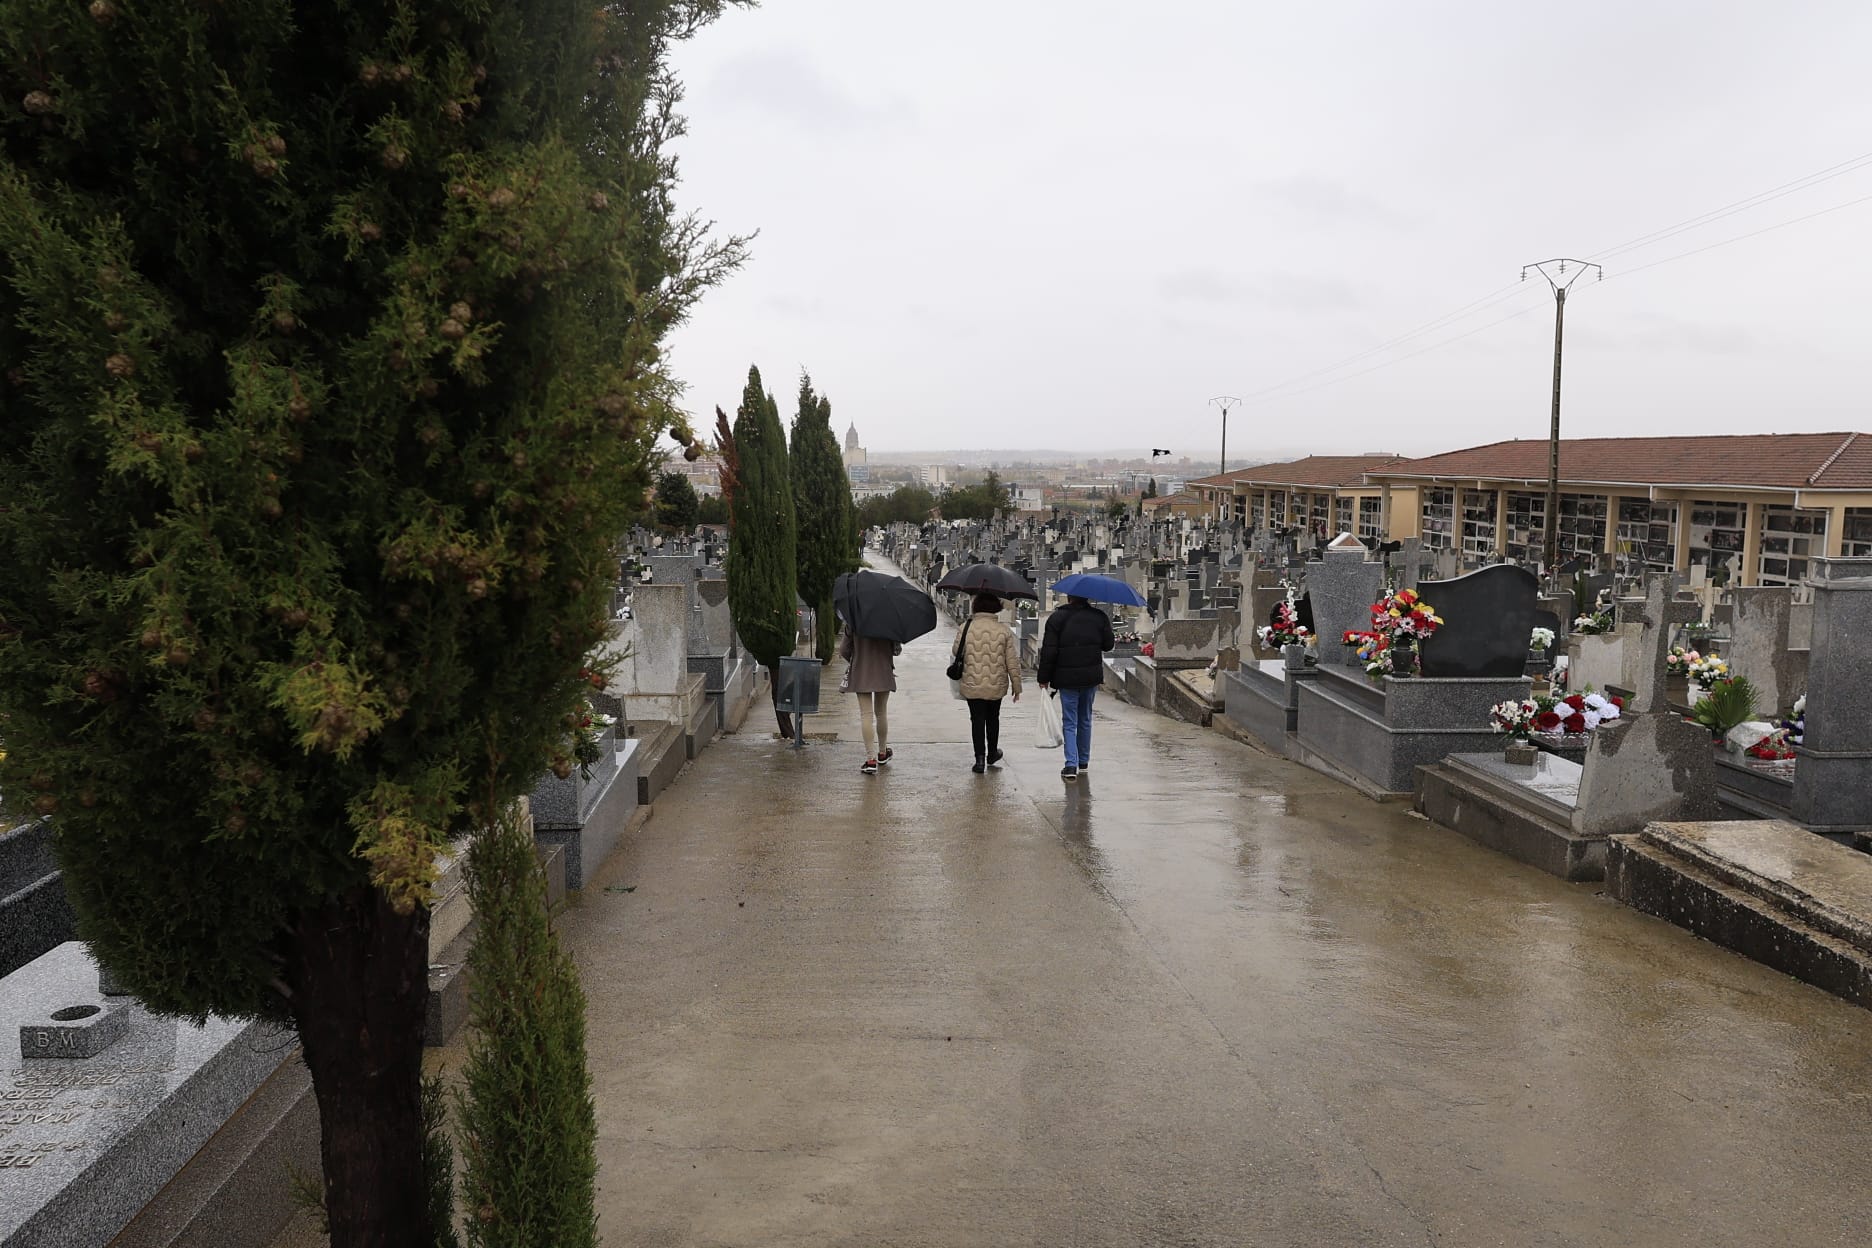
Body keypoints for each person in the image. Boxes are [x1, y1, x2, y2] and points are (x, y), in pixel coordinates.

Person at [1036, 594, 1115, 782]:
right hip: (1090, 677)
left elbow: (1049, 651)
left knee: (1070, 721)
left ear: (1069, 597)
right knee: (1085, 718)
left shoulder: (1057, 619)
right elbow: (1108, 645)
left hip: (1066, 678)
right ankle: (1084, 762)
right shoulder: (1099, 617)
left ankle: (1071, 763)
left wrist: (1043, 678)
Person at [956, 593, 1022, 773]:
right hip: (996, 682)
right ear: (996, 607)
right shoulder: (1003, 631)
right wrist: (1017, 686)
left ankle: (979, 760)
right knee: (993, 718)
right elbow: (1012, 661)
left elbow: (956, 651)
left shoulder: (966, 627)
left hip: (972, 682)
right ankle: (992, 752)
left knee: (976, 720)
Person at [839, 622, 900, 775]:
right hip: (883, 671)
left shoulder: (854, 620)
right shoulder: (888, 620)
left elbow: (844, 650)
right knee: (881, 713)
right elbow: (897, 650)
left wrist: (857, 660)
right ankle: (882, 753)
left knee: (866, 714)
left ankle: (870, 759)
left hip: (862, 672)